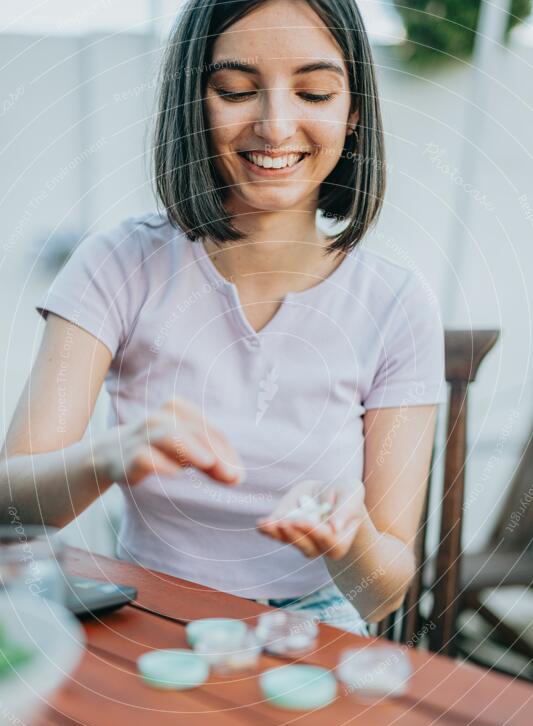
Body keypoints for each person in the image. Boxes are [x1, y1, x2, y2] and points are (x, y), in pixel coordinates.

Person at [0, 0, 446, 636]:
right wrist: (110, 455)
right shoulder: (119, 263)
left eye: (314, 91)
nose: (275, 124)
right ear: (192, 106)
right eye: (235, 90)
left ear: (352, 114)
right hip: (144, 613)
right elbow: (10, 507)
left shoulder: (399, 304)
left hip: (314, 636)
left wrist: (349, 541)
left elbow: (382, 594)